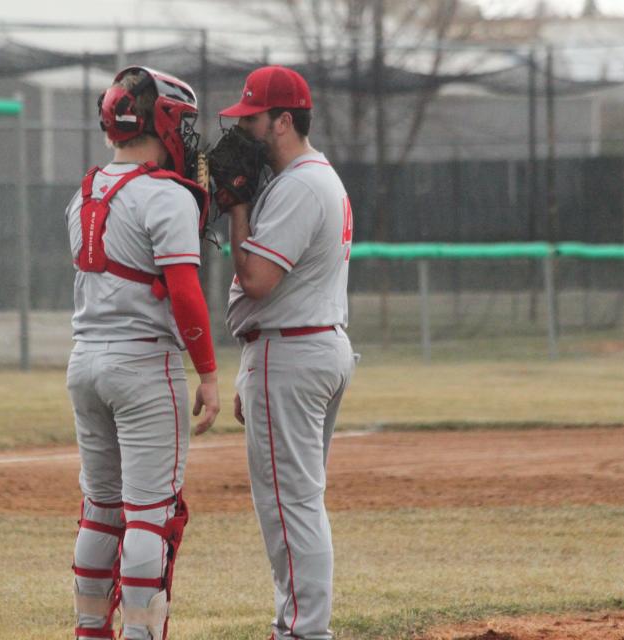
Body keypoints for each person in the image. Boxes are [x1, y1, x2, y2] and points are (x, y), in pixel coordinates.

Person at [63, 66, 220, 640]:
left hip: (85, 362)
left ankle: (89, 630)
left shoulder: (83, 193)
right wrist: (207, 373)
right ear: (165, 122)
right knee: (151, 515)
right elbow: (183, 292)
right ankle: (139, 634)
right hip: (142, 366)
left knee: (101, 506)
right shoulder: (166, 195)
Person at [219, 65, 357, 640]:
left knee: (290, 506)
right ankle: (298, 626)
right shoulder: (309, 178)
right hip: (299, 348)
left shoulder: (300, 185)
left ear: (282, 121)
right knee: (298, 501)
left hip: (292, 353)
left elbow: (256, 280)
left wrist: (236, 207)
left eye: (251, 118)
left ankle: (304, 631)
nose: (242, 130)